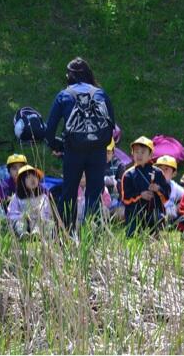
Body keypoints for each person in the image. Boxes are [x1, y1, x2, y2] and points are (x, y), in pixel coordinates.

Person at [45, 57, 115, 234]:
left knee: (69, 193)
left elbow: (49, 130)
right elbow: (111, 125)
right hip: (97, 151)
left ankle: (64, 237)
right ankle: (90, 237)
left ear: (69, 76)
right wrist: (99, 144)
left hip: (73, 151)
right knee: (94, 194)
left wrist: (58, 146)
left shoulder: (64, 95)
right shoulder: (100, 93)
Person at [121, 136, 170, 237]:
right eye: (136, 152)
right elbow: (125, 199)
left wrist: (158, 189)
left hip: (153, 213)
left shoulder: (158, 173)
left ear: (150, 155)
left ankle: (155, 235)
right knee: (132, 238)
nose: (139, 155)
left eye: (143, 152)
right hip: (134, 214)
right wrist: (140, 195)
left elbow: (167, 196)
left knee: (158, 217)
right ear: (132, 153)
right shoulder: (128, 174)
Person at [6, 165, 55, 239]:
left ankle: (37, 233)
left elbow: (48, 213)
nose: (33, 179)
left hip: (39, 222)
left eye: (35, 176)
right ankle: (23, 233)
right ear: (22, 181)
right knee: (20, 223)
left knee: (49, 224)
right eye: (28, 177)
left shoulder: (43, 196)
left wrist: (40, 214)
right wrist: (23, 215)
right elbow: (11, 213)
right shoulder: (17, 197)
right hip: (23, 220)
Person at [154, 155, 184, 222]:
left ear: (174, 173)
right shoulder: (151, 184)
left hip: (171, 216)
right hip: (155, 216)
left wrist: (177, 207)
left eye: (166, 169)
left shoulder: (174, 187)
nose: (162, 172)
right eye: (159, 169)